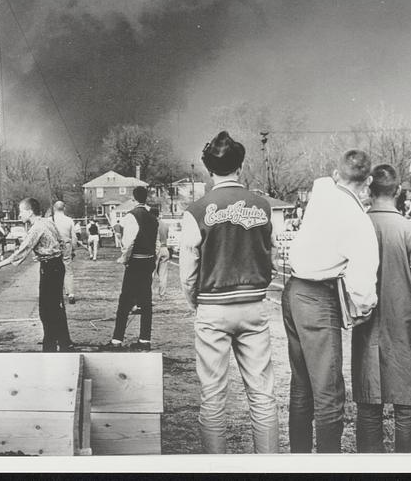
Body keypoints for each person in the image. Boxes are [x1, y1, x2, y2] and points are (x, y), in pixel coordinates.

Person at [179, 131, 279, 454]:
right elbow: (272, 257)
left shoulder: (196, 210)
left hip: (212, 306)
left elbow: (187, 273)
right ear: (240, 166)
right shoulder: (263, 207)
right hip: (253, 305)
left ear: (209, 170)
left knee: (213, 397)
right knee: (263, 395)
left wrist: (197, 302)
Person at [283, 149, 379, 453]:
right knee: (329, 393)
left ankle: (298, 461)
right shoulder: (359, 220)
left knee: (301, 387)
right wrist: (363, 309)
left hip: (293, 289)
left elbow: (324, 180)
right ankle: (327, 463)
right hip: (318, 296)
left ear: (337, 174)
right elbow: (364, 283)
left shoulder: (322, 191)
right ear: (369, 181)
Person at [351, 164, 411, 453]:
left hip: (365, 323)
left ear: (369, 189)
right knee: (407, 404)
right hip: (405, 325)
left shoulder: (357, 226)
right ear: (398, 191)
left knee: (368, 404)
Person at [0, 198, 73, 352]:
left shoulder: (36, 228)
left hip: (50, 269)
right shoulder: (48, 222)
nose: (19, 215)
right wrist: (45, 254)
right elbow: (60, 242)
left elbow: (21, 251)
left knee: (46, 311)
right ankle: (64, 342)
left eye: (21, 211)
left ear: (30, 212)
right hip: (56, 266)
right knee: (56, 307)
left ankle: (50, 346)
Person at [102, 187, 169, 351]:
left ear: (133, 198)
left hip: (136, 263)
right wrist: (152, 260)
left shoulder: (131, 216)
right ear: (146, 198)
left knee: (125, 301)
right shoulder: (154, 219)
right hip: (148, 263)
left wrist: (125, 259)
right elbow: (156, 244)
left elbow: (128, 243)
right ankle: (145, 340)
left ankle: (117, 340)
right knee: (146, 302)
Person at [52, 201, 78, 305]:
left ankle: (55, 293)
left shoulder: (50, 220)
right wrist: (73, 249)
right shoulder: (69, 220)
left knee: (54, 270)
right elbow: (74, 237)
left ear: (54, 208)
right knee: (68, 270)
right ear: (64, 208)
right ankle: (71, 293)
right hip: (66, 245)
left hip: (54, 247)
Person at [150, 207, 170, 299]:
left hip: (156, 249)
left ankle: (148, 295)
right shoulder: (165, 225)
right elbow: (167, 236)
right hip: (165, 248)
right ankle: (162, 295)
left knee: (151, 273)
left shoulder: (152, 224)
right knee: (163, 274)